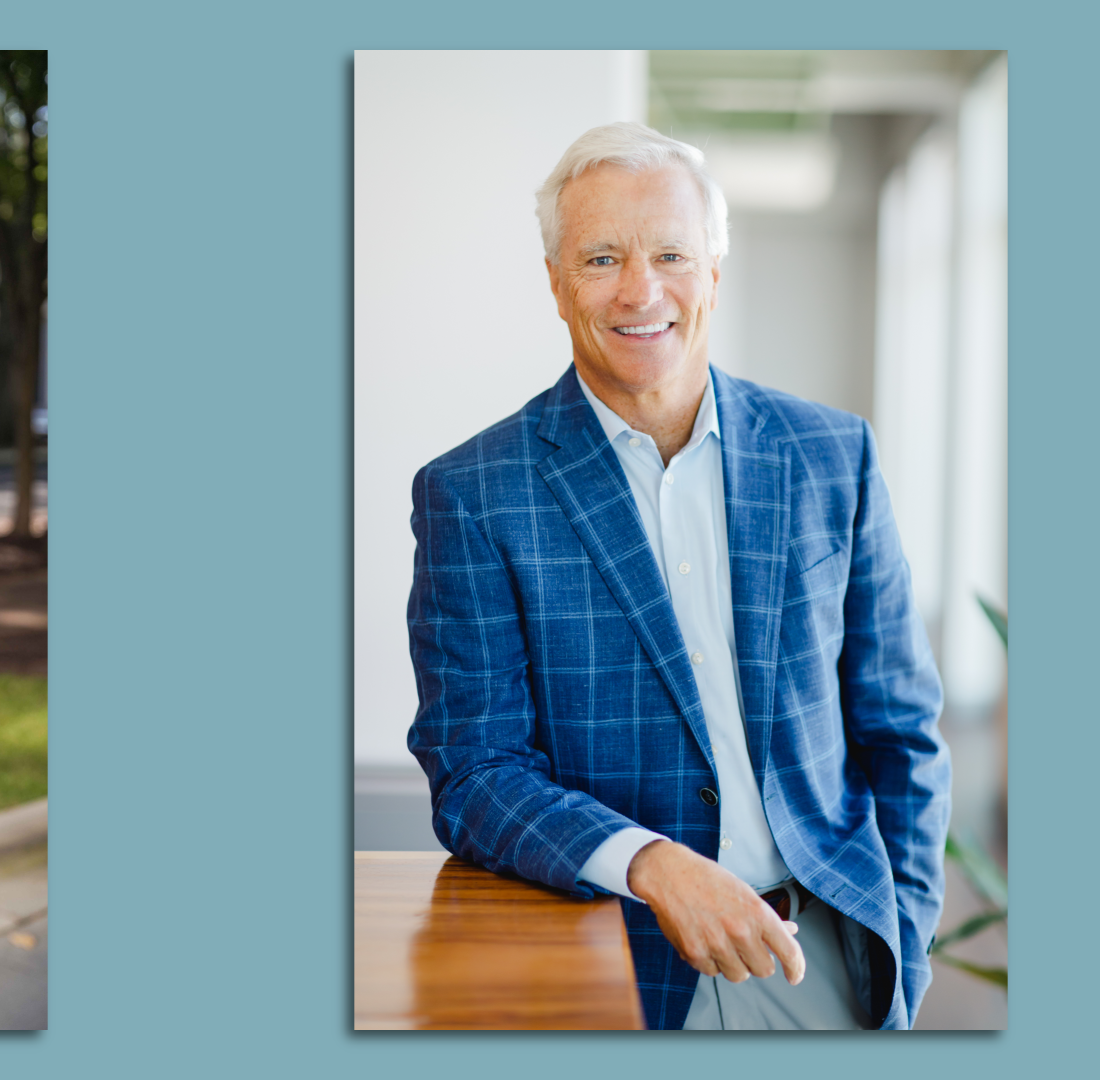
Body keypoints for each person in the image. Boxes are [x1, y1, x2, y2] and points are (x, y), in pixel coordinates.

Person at [405, 122, 951, 1030]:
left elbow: (901, 730)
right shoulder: (473, 493)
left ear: (715, 272)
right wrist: (651, 864)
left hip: (829, 961)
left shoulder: (831, 456)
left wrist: (911, 949)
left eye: (670, 254)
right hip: (613, 965)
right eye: (601, 258)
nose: (640, 289)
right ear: (554, 282)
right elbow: (474, 772)